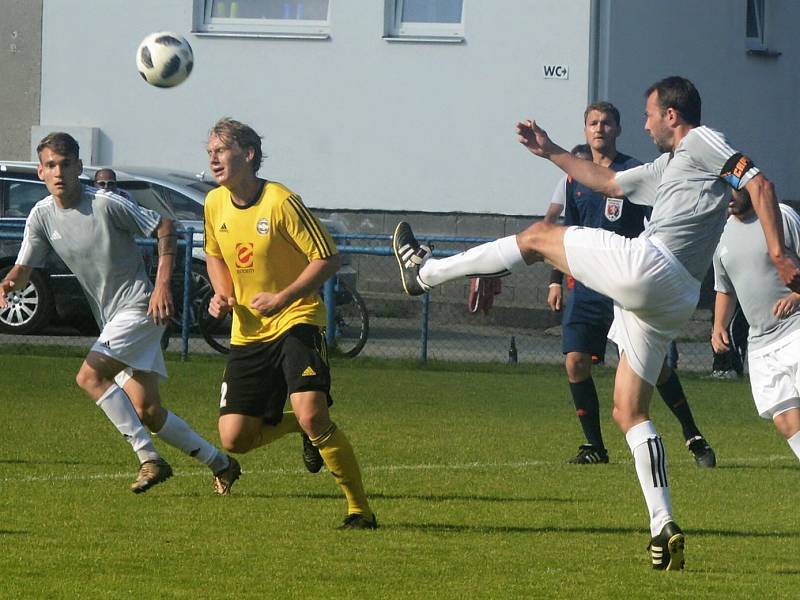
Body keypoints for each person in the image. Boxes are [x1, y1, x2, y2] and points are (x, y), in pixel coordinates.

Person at [392, 76, 800, 570]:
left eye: (650, 113)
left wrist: (778, 253)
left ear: (672, 115)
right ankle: (662, 524)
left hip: (653, 267)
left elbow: (759, 182)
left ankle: (424, 273)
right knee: (629, 410)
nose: (645, 123)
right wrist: (552, 152)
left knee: (542, 235)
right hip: (673, 297)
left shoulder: (699, 139)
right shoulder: (671, 166)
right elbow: (606, 181)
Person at [0, 132, 236, 494]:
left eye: (66, 164)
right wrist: (9, 283)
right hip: (112, 317)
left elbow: (165, 227)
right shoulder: (41, 215)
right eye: (51, 165)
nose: (59, 172)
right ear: (40, 172)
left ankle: (149, 458)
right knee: (148, 411)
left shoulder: (106, 203)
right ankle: (220, 463)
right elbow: (24, 268)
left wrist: (161, 287)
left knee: (89, 377)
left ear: (79, 167)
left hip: (140, 306)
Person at [202, 118, 376, 529]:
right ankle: (298, 427)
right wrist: (223, 294)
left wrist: (283, 298)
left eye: (221, 149)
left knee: (314, 413)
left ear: (248, 155)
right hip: (248, 331)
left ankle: (359, 510)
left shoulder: (281, 201)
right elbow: (214, 254)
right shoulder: (214, 204)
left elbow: (327, 258)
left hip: (297, 319)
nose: (213, 157)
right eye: (209, 150)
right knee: (234, 440)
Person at [544, 102, 715, 467]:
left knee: (652, 366)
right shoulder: (575, 178)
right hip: (586, 285)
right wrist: (555, 281)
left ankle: (693, 433)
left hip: (627, 280)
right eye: (593, 123)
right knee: (575, 362)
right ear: (585, 129)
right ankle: (595, 447)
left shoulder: (635, 171)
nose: (599, 129)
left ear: (618, 129)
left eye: (607, 123)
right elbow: (563, 232)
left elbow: (655, 224)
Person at [712, 189, 800, 461]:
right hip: (761, 343)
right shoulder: (721, 234)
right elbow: (725, 288)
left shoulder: (780, 216)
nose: (729, 195)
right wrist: (718, 325)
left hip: (796, 329)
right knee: (785, 419)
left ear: (751, 185)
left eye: (734, 187)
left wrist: (797, 296)